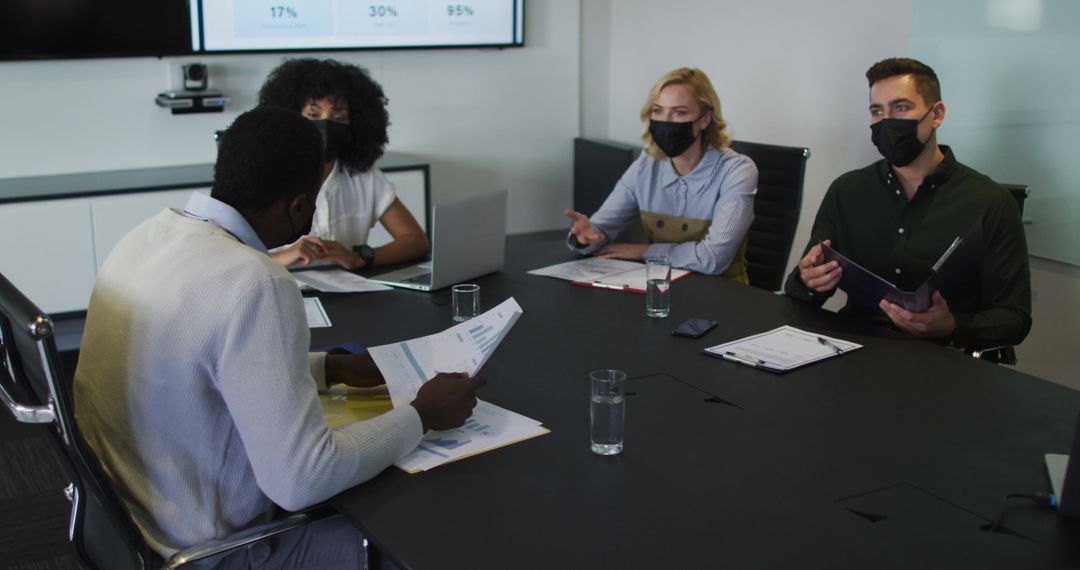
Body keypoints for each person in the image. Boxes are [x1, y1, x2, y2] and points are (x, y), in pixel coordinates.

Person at [73, 107, 482, 567]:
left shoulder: (148, 235)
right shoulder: (256, 282)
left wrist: (331, 367)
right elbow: (303, 479)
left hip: (126, 521)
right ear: (299, 206)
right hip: (211, 551)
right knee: (432, 529)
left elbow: (195, 360)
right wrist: (422, 414)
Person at [784, 57, 1031, 350]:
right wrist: (808, 280)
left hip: (943, 360)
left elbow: (1015, 319)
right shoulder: (847, 191)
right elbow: (799, 293)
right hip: (856, 351)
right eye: (877, 111)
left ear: (936, 114)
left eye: (900, 107)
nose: (886, 121)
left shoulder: (991, 202)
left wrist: (951, 326)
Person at [564, 67, 757, 281]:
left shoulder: (737, 171)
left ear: (705, 119)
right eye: (658, 111)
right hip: (662, 289)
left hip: (725, 297)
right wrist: (586, 237)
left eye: (679, 112)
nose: (666, 121)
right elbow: (602, 229)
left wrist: (645, 251)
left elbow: (712, 259)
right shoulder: (647, 164)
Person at [258, 58, 430, 270]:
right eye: (313, 115)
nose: (326, 125)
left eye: (338, 117)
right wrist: (284, 256)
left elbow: (416, 241)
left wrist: (361, 257)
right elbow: (230, 255)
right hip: (281, 292)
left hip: (347, 293)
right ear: (290, 117)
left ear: (354, 126)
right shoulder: (266, 177)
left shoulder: (364, 177)